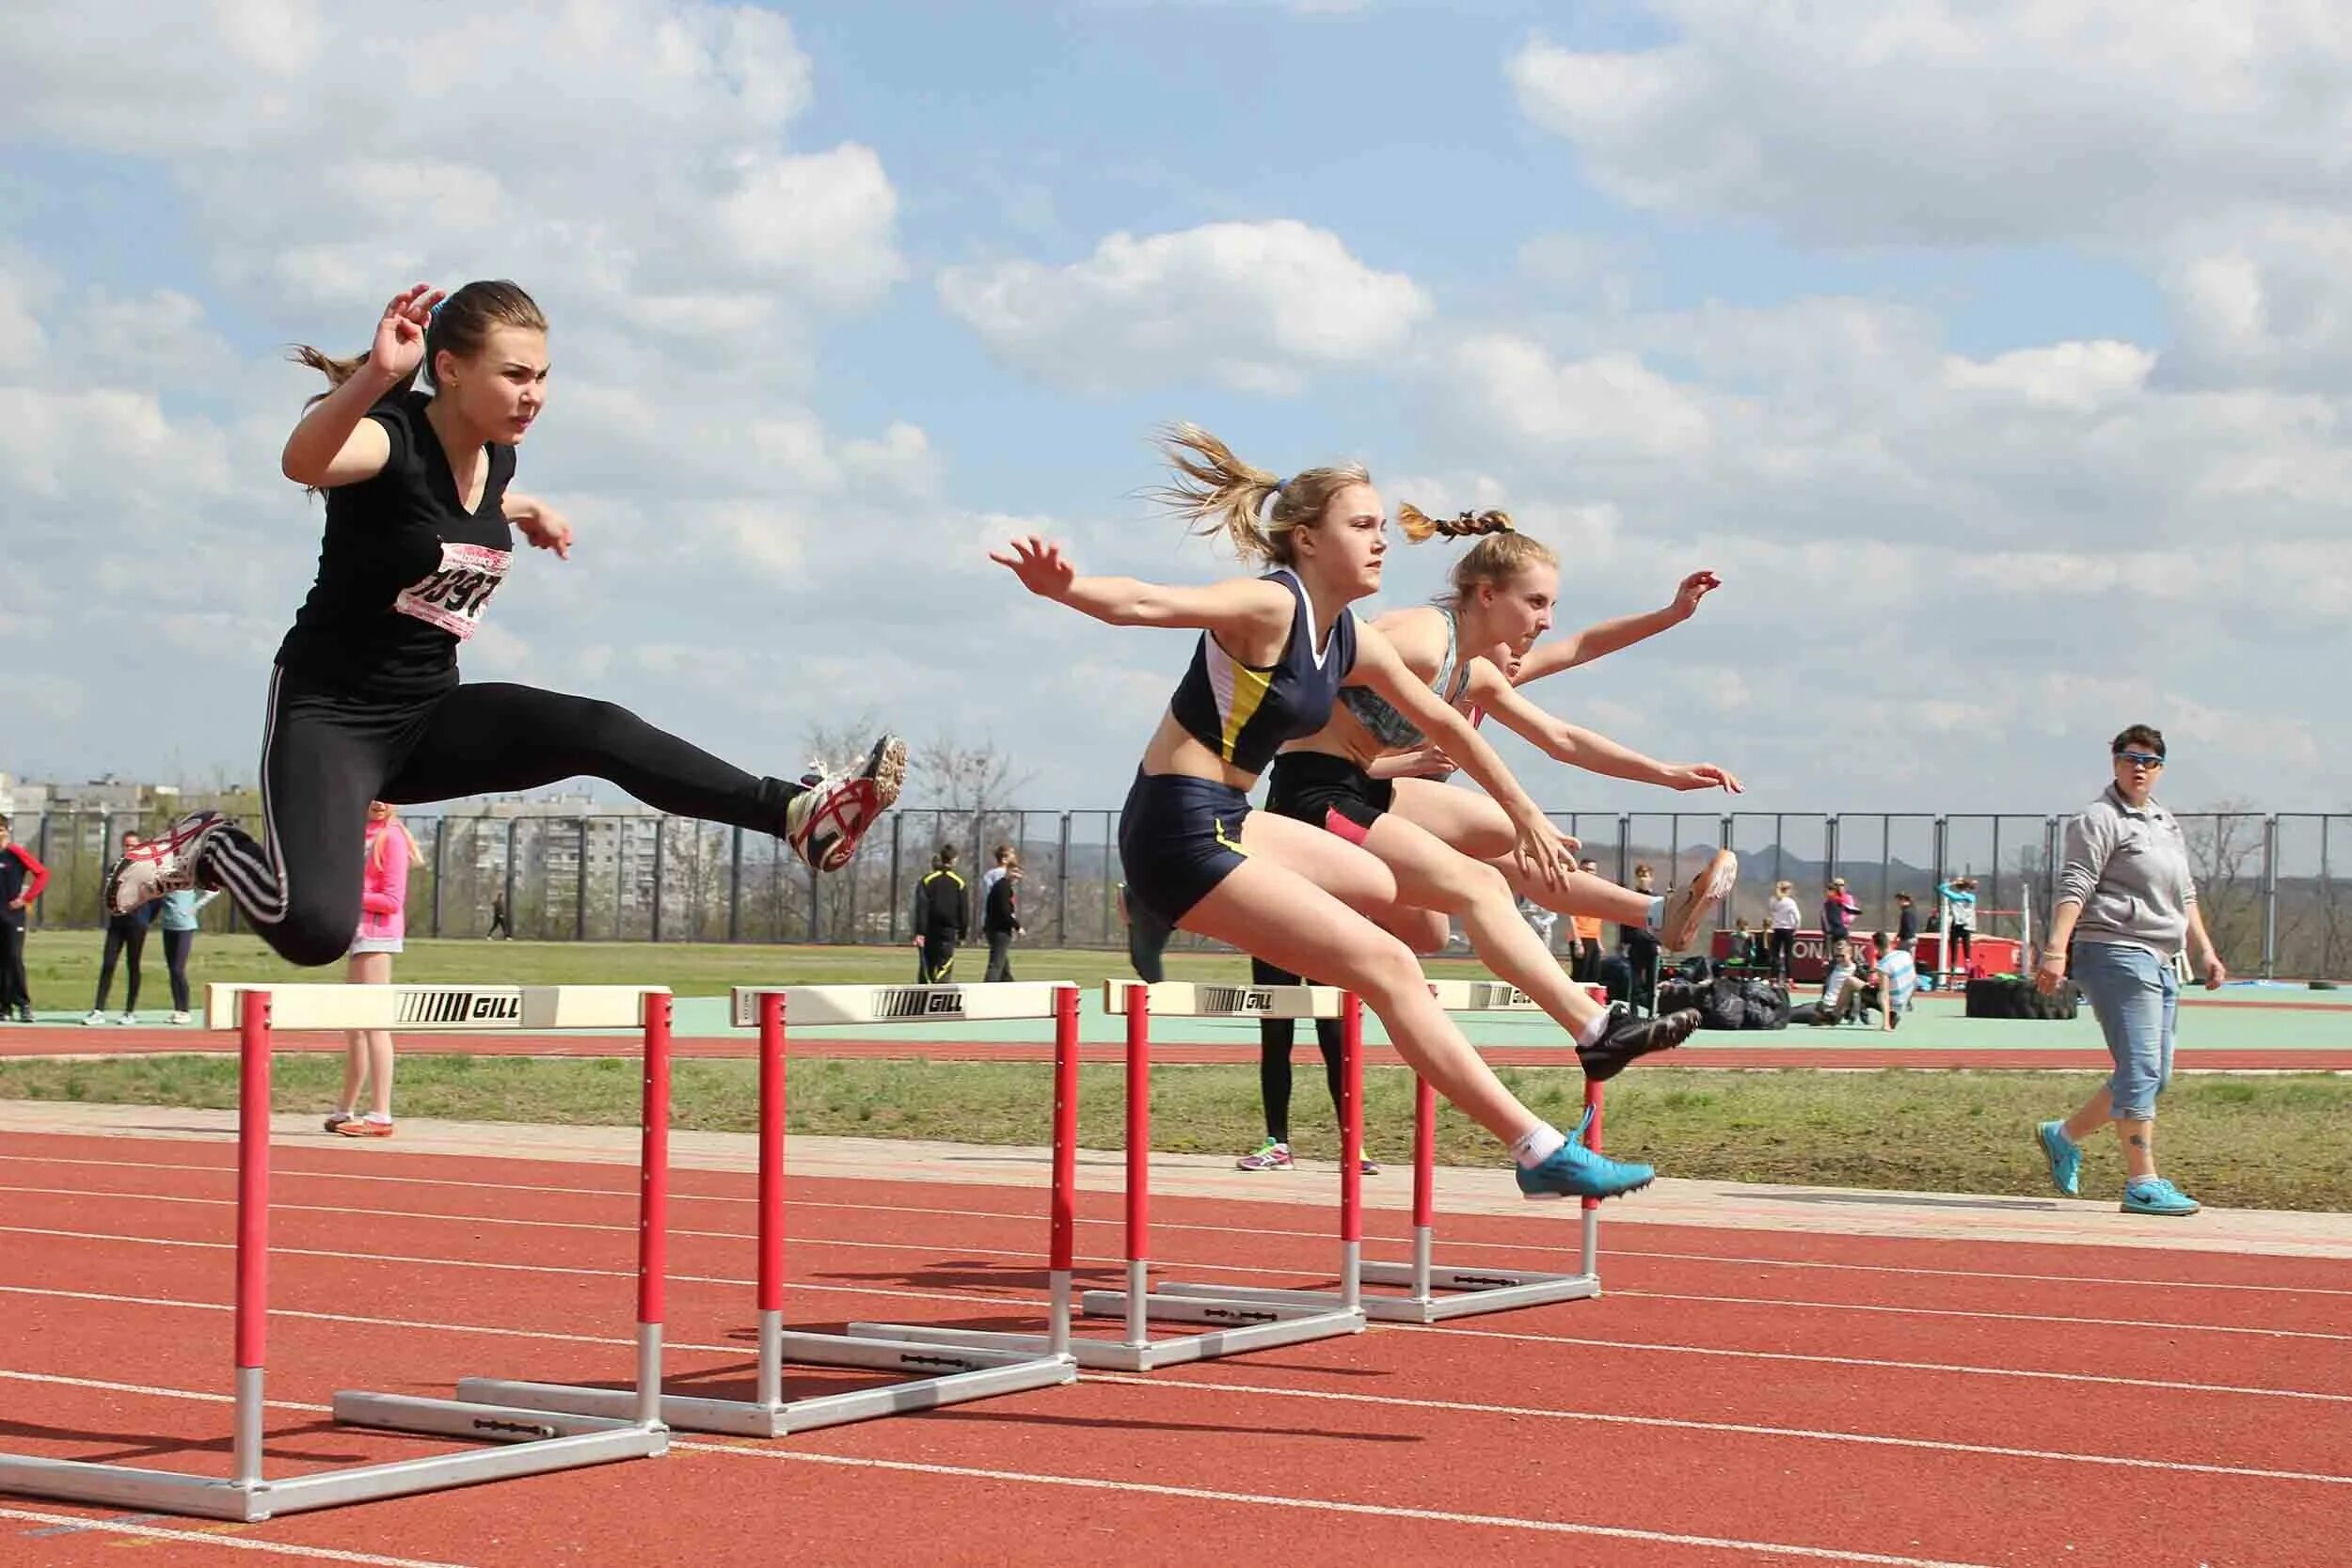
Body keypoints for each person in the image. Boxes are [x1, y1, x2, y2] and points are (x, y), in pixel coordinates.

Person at [105, 282, 906, 952]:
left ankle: (798, 815)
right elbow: (303, 462)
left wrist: (528, 509)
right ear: (448, 369)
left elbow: (467, 506)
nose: (535, 396)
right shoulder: (388, 438)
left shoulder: (498, 457)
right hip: (333, 717)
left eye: (544, 376)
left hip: (427, 715)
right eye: (516, 375)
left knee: (597, 727)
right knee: (314, 930)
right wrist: (377, 379)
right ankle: (210, 845)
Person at [994, 423, 1684, 1200]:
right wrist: (1067, 589)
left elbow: (1449, 721)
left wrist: (1520, 811)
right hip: (1176, 826)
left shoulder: (1349, 638)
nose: (1382, 542)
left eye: (1384, 527)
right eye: (1362, 526)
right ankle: (1535, 1145)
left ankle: (1162, 913)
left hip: (1234, 814)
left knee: (1409, 907)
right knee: (1389, 967)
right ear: (1307, 539)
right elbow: (1151, 601)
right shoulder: (1269, 603)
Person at [1327, 515, 1740, 958]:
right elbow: (1324, 741)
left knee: (1432, 934)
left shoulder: (1487, 680)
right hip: (1352, 796)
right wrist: (1402, 765)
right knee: (1510, 838)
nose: (1521, 662)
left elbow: (1576, 680)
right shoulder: (1429, 655)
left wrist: (1664, 772)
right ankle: (1654, 913)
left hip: (1409, 819)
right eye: (1512, 649)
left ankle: (1656, 913)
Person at [2034, 726, 2225, 1217]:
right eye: (2129, 758)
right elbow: (2075, 883)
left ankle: (2064, 1135)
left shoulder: (2164, 822)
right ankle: (2142, 1181)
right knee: (2140, 1069)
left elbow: (2185, 895)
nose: (2139, 767)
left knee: (2153, 1074)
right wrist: (2056, 950)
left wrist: (2204, 950)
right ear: (2114, 762)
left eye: (2150, 760)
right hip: (2115, 949)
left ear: (2161, 768)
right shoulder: (2097, 819)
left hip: (2162, 957)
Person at [327, 801, 423, 1137]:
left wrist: (349, 894)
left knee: (374, 1026)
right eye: (373, 795)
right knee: (354, 1027)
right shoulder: (355, 833)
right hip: (355, 936)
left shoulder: (392, 837)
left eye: (388, 797)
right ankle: (344, 1109)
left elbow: (392, 900)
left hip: (377, 938)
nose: (380, 803)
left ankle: (381, 1114)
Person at [1237, 956, 1378, 1177]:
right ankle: (1277, 1145)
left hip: (1325, 940)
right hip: (1272, 939)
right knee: (1275, 1039)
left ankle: (1354, 1148)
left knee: (1337, 1043)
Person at [88, 832, 155, 1024]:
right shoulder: (115, 868)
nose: (130, 849)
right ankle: (98, 1010)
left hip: (137, 924)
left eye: (134, 845)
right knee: (108, 963)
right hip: (117, 923)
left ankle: (129, 1012)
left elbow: (157, 897)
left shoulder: (147, 870)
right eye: (127, 845)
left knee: (133, 965)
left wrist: (146, 918)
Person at [0, 815, 48, 1022]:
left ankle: (23, 1004)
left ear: (6, 830)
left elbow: (42, 874)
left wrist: (26, 899)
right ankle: (4, 1007)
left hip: (13, 916)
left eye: (0, 829)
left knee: (13, 957)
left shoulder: (15, 853)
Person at [156, 886, 217, 1025]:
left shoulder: (190, 879)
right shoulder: (166, 879)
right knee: (172, 969)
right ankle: (178, 1010)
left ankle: (185, 1010)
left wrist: (194, 908)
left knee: (178, 969)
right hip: (168, 926)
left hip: (185, 927)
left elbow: (213, 891)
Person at [913, 845, 969, 983]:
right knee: (945, 964)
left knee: (928, 963)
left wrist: (920, 932)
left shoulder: (927, 880)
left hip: (930, 929)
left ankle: (924, 994)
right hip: (948, 931)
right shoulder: (959, 882)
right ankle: (940, 994)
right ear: (954, 860)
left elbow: (921, 907)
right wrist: (962, 934)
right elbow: (964, 910)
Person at [980, 845, 1022, 982]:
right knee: (997, 961)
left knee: (1001, 960)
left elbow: (987, 899)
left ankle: (1009, 984)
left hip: (991, 922)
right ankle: (988, 989)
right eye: (1011, 854)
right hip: (1002, 923)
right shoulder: (1002, 878)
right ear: (1004, 859)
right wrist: (1014, 922)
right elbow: (1002, 904)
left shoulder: (988, 875)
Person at [1117, 881, 1171, 983]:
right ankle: (1155, 987)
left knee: (1148, 955)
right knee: (1138, 959)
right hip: (1138, 896)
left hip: (1156, 900)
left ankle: (1157, 989)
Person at [1870, 930, 1917, 1030]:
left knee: (1854, 985)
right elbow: (1915, 980)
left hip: (1894, 1002)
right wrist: (1908, 1000)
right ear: (1889, 942)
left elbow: (1884, 994)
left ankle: (1888, 1019)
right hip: (1905, 999)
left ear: (1876, 947)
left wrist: (1886, 1024)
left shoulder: (1883, 965)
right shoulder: (1905, 954)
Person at [1940, 875, 1979, 973]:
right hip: (1968, 924)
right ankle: (1968, 965)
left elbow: (1941, 888)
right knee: (1967, 950)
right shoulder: (1972, 897)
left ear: (1958, 887)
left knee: (1954, 949)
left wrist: (1953, 882)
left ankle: (1953, 966)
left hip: (1957, 923)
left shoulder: (1954, 896)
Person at [1765, 879, 1800, 979]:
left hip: (1777, 929)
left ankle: (1774, 977)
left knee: (1775, 954)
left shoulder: (1772, 900)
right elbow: (1797, 916)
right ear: (1788, 890)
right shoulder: (1790, 902)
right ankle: (1789, 978)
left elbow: (1771, 912)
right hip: (1788, 930)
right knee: (1788, 954)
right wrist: (1796, 927)